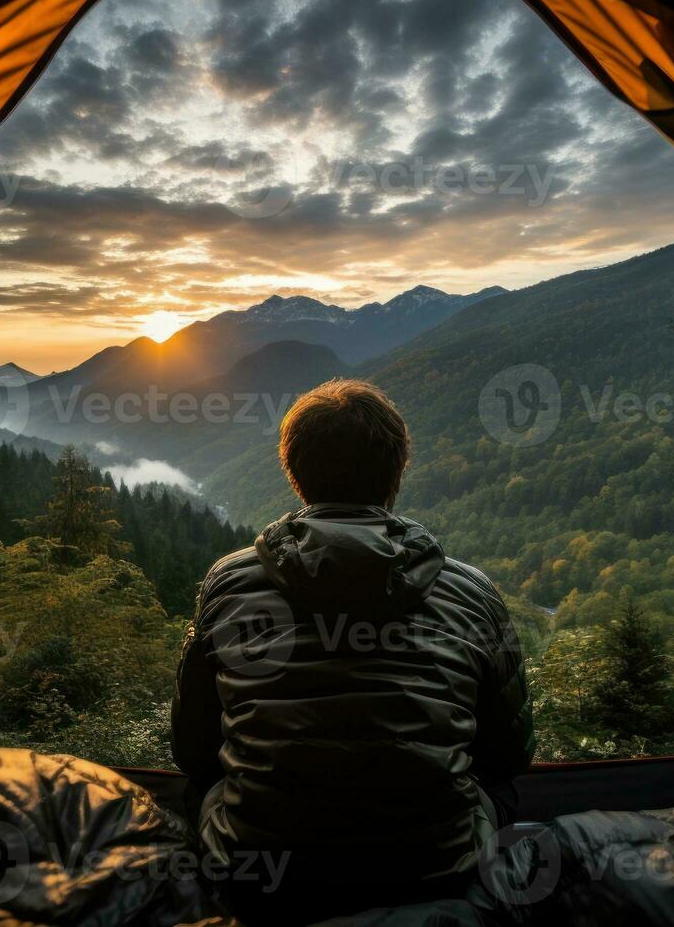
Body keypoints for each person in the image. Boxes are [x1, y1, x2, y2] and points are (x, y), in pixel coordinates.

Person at [171, 379, 534, 918]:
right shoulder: (471, 591)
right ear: (396, 472)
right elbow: (509, 753)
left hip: (260, 873)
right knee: (499, 787)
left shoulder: (229, 582)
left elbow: (192, 749)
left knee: (204, 783)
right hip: (434, 871)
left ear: (295, 473)